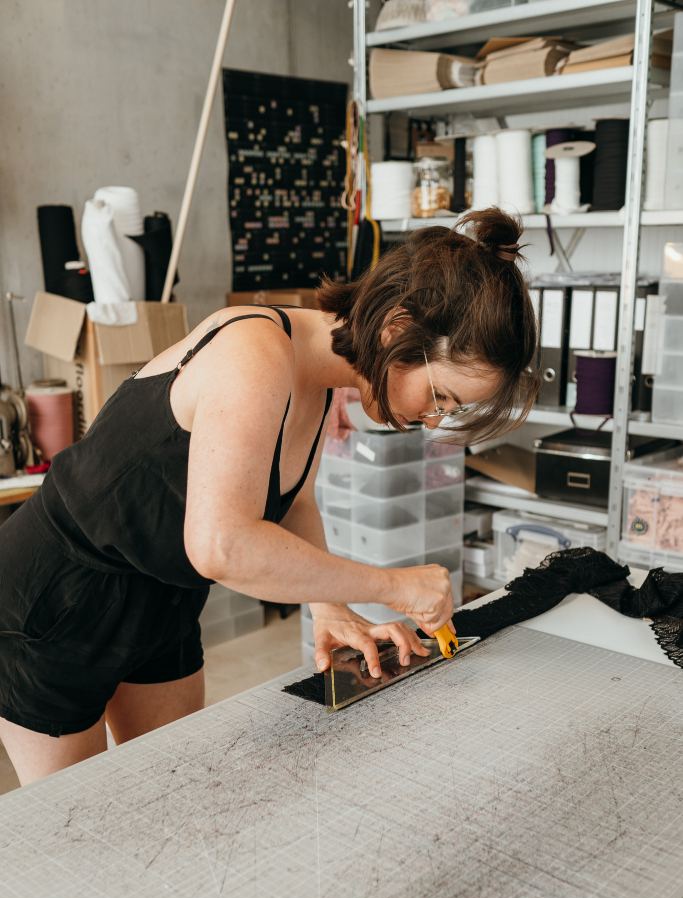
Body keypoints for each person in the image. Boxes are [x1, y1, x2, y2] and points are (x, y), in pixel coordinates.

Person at [0, 208, 538, 785]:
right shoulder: (255, 354)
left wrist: (329, 607)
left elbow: (292, 498)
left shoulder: (318, 374)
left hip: (164, 597)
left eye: (450, 411)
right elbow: (222, 545)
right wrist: (394, 587)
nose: (432, 421)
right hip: (57, 603)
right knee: (82, 831)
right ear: (396, 330)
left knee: (172, 798)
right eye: (439, 395)